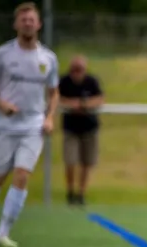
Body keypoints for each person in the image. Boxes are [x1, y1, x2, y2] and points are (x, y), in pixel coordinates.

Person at [0, 2, 59, 247]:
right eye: (23, 19)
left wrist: (49, 117)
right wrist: (0, 103)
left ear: (39, 24)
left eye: (32, 19)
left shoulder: (47, 58)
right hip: (3, 127)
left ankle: (3, 233)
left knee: (22, 175)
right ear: (16, 24)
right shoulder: (3, 55)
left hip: (32, 127)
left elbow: (53, 92)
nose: (28, 23)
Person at [58, 55, 104, 206]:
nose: (77, 73)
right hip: (70, 128)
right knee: (70, 161)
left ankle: (81, 194)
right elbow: (56, 97)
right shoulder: (64, 81)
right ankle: (70, 192)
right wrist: (71, 104)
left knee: (87, 162)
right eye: (74, 69)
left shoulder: (92, 82)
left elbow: (99, 99)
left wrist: (84, 104)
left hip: (89, 128)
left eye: (80, 69)